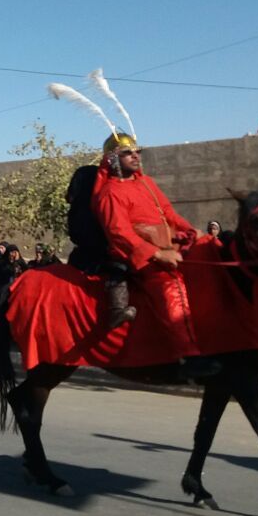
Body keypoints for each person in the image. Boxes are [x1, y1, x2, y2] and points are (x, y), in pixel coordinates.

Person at [92, 132, 217, 379]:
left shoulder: (147, 182)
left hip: (168, 247)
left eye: (137, 151)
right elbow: (119, 233)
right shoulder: (109, 192)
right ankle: (189, 356)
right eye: (128, 152)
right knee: (171, 286)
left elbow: (169, 214)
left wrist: (191, 231)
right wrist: (157, 254)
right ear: (112, 159)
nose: (135, 156)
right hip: (137, 257)